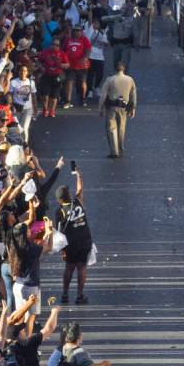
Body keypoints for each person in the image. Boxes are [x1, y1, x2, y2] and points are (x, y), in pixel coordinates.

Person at [55, 169, 92, 305]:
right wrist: (78, 175)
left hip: (70, 244)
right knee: (81, 267)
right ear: (68, 195)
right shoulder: (77, 201)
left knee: (69, 267)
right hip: (84, 240)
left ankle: (64, 294)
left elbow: (59, 231)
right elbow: (80, 188)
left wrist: (62, 249)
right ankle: (79, 295)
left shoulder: (59, 211)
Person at [98, 61, 137, 159]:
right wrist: (133, 108)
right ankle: (120, 147)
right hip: (124, 107)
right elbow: (133, 95)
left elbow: (103, 95)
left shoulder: (110, 79)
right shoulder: (130, 80)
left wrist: (100, 108)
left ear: (115, 68)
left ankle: (114, 151)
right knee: (121, 128)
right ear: (124, 68)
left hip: (112, 107)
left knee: (111, 128)